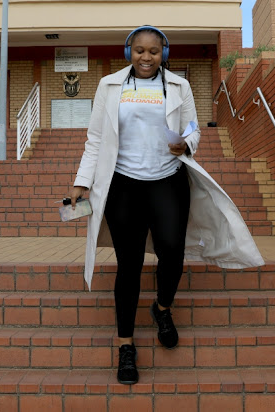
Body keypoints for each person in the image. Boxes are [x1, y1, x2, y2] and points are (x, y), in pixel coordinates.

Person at [69, 25, 264, 385]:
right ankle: (126, 346)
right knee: (129, 264)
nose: (147, 57)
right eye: (140, 50)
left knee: (172, 252)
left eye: (154, 51)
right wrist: (83, 180)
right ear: (129, 52)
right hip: (122, 183)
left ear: (164, 53)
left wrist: (186, 143)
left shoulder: (179, 86)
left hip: (168, 179)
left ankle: (161, 308)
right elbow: (95, 138)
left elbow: (193, 128)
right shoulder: (110, 85)